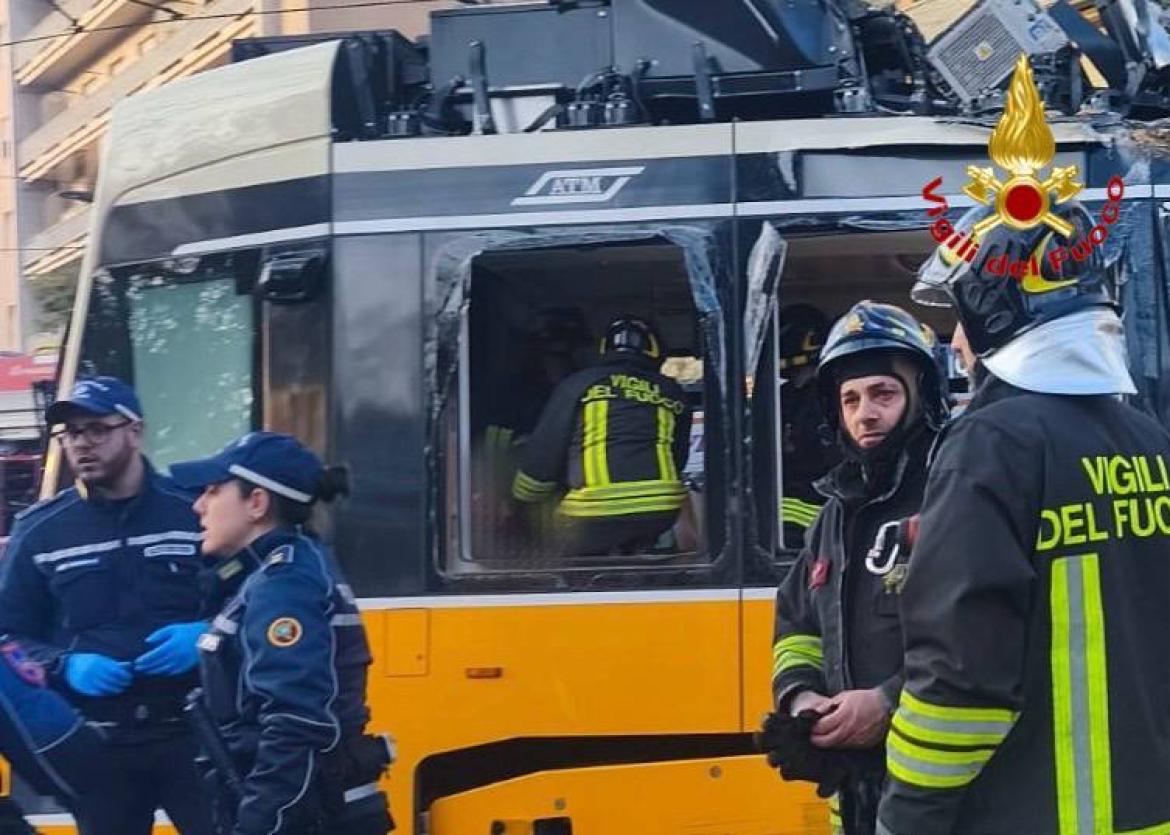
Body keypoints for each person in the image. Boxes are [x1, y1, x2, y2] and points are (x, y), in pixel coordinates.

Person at [876, 192, 1170, 834]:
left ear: (994, 311)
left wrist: (907, 816)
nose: (953, 339)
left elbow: (959, 681)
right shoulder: (1150, 439)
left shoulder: (991, 444)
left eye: (957, 316)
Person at [0, 376, 213, 835]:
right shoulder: (40, 530)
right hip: (101, 745)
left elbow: (247, 602)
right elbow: (8, 635)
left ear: (134, 431)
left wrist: (207, 634)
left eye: (97, 429)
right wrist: (64, 664)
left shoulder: (193, 511)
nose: (82, 444)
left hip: (195, 733)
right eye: (72, 433)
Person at [768, 301, 948, 835]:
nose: (865, 413)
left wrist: (887, 703)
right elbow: (797, 625)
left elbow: (986, 638)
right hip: (860, 801)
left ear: (923, 395)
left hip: (943, 796)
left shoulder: (954, 491)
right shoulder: (832, 515)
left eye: (883, 394)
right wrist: (802, 699)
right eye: (850, 399)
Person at [170, 432, 393, 835]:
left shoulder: (284, 585)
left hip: (304, 816)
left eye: (213, 491)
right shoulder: (283, 570)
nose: (198, 506)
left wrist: (259, 824)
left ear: (256, 503)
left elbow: (295, 724)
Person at [511, 316, 692, 555]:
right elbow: (678, 456)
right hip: (661, 510)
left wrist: (521, 500)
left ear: (604, 349)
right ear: (655, 351)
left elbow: (545, 454)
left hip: (591, 516)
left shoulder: (578, 386)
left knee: (552, 549)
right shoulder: (672, 392)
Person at [777, 303, 840, 549]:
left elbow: (812, 456)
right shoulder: (789, 396)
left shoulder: (823, 397)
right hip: (808, 524)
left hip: (806, 523)